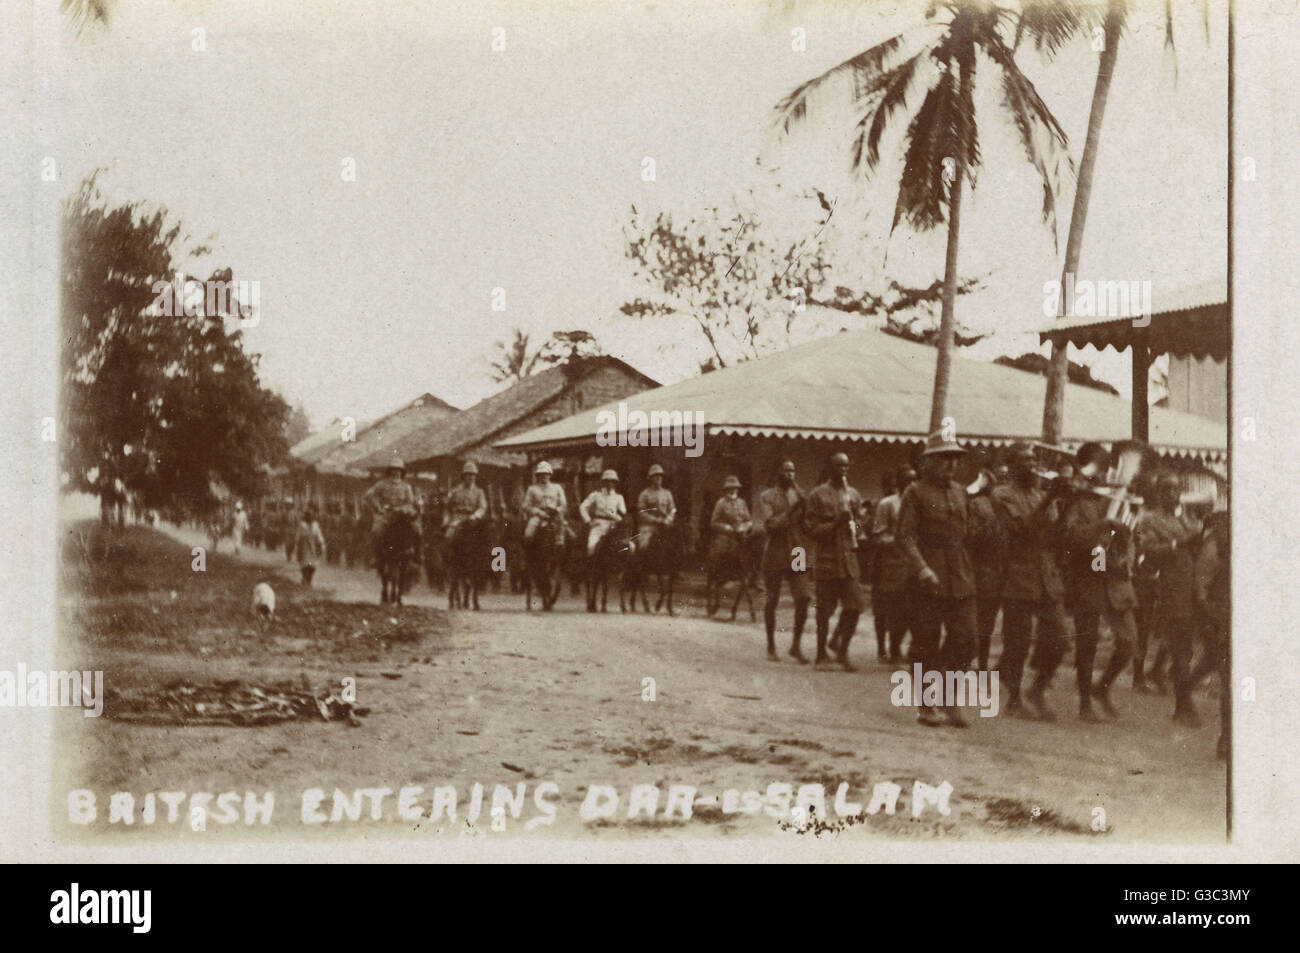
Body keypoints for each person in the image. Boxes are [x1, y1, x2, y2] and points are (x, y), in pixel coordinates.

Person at [898, 434, 976, 727]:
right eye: (944, 458)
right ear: (928, 462)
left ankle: (948, 696)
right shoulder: (915, 492)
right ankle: (926, 704)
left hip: (960, 575)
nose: (951, 465)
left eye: (955, 459)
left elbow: (966, 534)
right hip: (927, 578)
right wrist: (921, 568)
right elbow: (904, 537)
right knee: (925, 641)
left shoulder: (960, 492)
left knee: (966, 639)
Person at [1060, 442, 1138, 722]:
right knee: (1087, 643)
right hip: (1088, 578)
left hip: (1113, 579)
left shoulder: (1114, 497)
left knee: (1129, 642)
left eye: (1107, 468)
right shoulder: (1078, 502)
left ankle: (1101, 689)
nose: (1106, 473)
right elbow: (1073, 540)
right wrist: (1104, 525)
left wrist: (1122, 538)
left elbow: (1126, 540)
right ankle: (1084, 704)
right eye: (1100, 468)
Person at [990, 443, 1068, 721]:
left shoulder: (1040, 494)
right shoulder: (1001, 494)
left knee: (1060, 638)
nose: (1032, 463)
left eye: (1033, 458)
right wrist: (1049, 501)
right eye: (1024, 460)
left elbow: (1054, 536)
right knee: (1018, 642)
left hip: (1045, 575)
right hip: (1017, 574)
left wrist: (1064, 504)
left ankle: (1036, 689)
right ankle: (1013, 699)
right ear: (1011, 467)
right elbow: (1020, 529)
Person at [1135, 473, 1204, 725]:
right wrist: (1177, 545)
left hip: (1194, 588)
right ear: (1159, 494)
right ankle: (1183, 705)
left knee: (1184, 648)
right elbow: (1148, 550)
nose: (1172, 495)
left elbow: (1198, 537)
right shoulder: (1150, 520)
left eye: (1175, 490)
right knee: (1181, 649)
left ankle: (1180, 702)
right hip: (1172, 588)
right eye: (1166, 490)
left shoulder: (1188, 516)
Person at [804, 452, 866, 671]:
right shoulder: (817, 495)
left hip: (849, 561)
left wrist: (857, 523)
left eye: (846, 466)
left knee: (856, 606)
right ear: (830, 468)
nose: (843, 470)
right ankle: (821, 655)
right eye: (839, 466)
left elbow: (859, 528)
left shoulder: (854, 494)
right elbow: (811, 529)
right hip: (827, 561)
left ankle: (842, 650)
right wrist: (836, 523)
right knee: (824, 610)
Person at [753, 461, 812, 663]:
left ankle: (795, 645)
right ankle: (771, 645)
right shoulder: (767, 496)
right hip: (776, 551)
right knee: (772, 599)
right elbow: (770, 525)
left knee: (804, 597)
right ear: (778, 473)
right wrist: (791, 510)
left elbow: (806, 523)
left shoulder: (798, 494)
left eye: (793, 470)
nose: (790, 474)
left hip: (797, 550)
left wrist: (805, 508)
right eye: (786, 470)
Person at [1193, 505, 1229, 759]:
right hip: (1225, 613)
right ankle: (1227, 738)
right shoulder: (1221, 535)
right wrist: (1209, 612)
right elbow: (1203, 575)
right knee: (1230, 678)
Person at [871, 467, 917, 664]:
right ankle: (887, 649)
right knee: (887, 609)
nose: (912, 484)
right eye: (907, 480)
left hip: (913, 565)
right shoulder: (887, 504)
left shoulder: (919, 504)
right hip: (890, 565)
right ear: (899, 483)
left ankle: (898, 648)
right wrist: (899, 540)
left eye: (914, 480)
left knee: (909, 611)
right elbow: (878, 535)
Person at [967, 466, 1004, 671]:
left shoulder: (1000, 504)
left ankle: (981, 663)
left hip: (997, 570)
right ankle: (977, 662)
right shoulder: (976, 504)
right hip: (981, 569)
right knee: (981, 622)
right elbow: (971, 537)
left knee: (986, 623)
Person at [364, 458, 421, 563]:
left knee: (417, 529)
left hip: (403, 514)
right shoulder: (382, 484)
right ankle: (376, 556)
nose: (396, 472)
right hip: (386, 514)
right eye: (393, 469)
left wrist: (405, 508)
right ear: (389, 471)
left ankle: (417, 554)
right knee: (376, 530)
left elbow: (410, 501)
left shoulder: (406, 486)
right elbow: (369, 495)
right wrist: (378, 507)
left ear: (402, 471)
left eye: (398, 469)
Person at [580, 470, 627, 557]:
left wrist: (616, 519)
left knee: (625, 547)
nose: (609, 484)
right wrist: (588, 521)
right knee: (591, 546)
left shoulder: (618, 497)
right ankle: (591, 566)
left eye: (612, 481)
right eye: (607, 481)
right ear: (603, 482)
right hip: (599, 524)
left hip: (614, 525)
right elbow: (583, 507)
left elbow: (623, 512)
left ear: (615, 483)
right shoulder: (596, 495)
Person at [522, 461, 568, 546]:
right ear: (537, 475)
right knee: (528, 535)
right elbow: (526, 505)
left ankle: (560, 543)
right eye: (541, 474)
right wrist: (538, 512)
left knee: (568, 537)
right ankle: (528, 555)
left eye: (546, 473)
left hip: (555, 515)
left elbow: (563, 504)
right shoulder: (532, 489)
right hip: (538, 515)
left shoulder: (557, 488)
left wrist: (557, 510)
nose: (544, 476)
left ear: (550, 475)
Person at [636, 464, 677, 550]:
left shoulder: (667, 493)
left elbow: (673, 509)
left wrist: (668, 519)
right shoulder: (644, 494)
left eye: (660, 476)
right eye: (655, 476)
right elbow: (641, 512)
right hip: (650, 526)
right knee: (643, 546)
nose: (658, 478)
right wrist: (655, 520)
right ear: (650, 478)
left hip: (666, 525)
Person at [444, 461, 488, 536]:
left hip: (472, 521)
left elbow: (482, 507)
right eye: (469, 474)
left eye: (473, 475)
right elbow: (447, 507)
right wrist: (446, 520)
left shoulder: (479, 492)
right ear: (464, 476)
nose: (471, 477)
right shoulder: (455, 491)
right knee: (449, 536)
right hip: (457, 520)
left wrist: (476, 515)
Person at [295, 507, 327, 586]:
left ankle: (309, 579)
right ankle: (305, 579)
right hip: (304, 546)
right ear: (305, 517)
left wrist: (322, 543)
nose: (310, 517)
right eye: (308, 516)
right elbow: (298, 536)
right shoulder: (302, 525)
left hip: (313, 547)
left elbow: (319, 534)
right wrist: (297, 543)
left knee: (312, 566)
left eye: (311, 516)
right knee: (305, 564)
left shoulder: (315, 525)